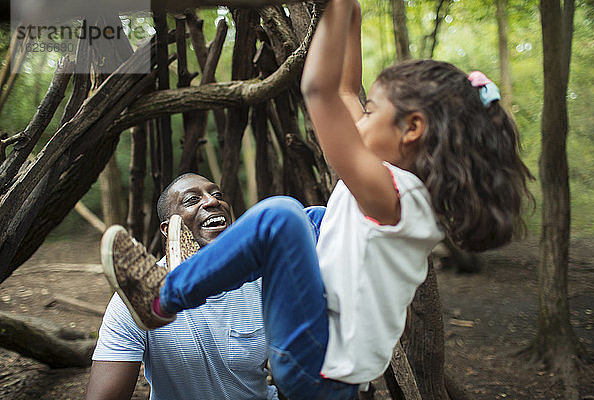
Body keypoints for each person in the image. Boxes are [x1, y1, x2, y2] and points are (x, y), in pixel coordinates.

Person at [100, 1, 532, 399]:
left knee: (283, 218)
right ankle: (199, 273)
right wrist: (351, 13)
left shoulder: (397, 195)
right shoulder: (397, 191)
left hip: (321, 366)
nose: (360, 113)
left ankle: (161, 298)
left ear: (412, 128)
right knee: (311, 219)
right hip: (326, 365)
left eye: (373, 108)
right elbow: (344, 90)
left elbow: (321, 93)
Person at [86, 173, 278, 400]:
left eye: (217, 195)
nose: (213, 201)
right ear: (168, 230)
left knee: (292, 212)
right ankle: (173, 289)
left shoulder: (261, 281)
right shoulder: (137, 296)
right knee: (283, 210)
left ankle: (174, 292)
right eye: (192, 200)